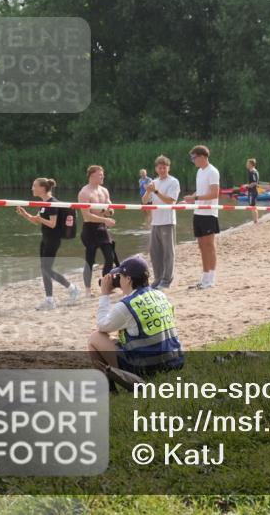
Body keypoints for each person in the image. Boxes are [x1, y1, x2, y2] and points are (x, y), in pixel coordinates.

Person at [87, 256, 184, 380]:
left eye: (120, 276)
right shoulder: (160, 295)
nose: (118, 280)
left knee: (95, 338)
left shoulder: (127, 305)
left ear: (128, 279)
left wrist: (105, 294)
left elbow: (102, 325)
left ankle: (109, 389)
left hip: (148, 367)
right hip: (175, 361)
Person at [16, 177, 80, 309]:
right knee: (44, 269)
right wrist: (25, 215)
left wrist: (40, 219)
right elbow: (36, 221)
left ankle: (71, 289)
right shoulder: (44, 203)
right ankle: (50, 299)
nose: (32, 188)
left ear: (43, 188)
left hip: (53, 240)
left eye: (34, 186)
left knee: (47, 269)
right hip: (45, 239)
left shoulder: (52, 203)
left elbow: (52, 224)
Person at [78, 165, 120, 298]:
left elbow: (110, 206)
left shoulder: (104, 190)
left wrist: (110, 212)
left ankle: (104, 285)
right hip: (90, 229)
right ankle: (87, 290)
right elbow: (86, 215)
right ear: (92, 175)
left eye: (103, 174)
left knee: (110, 257)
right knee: (90, 260)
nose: (103, 177)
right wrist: (105, 219)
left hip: (102, 228)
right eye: (100, 175)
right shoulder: (84, 192)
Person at [184, 145, 220, 290]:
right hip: (198, 212)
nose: (193, 161)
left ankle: (211, 279)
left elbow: (214, 193)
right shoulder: (200, 172)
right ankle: (204, 277)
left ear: (202, 157)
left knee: (209, 246)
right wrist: (190, 198)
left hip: (209, 213)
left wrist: (196, 198)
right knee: (201, 246)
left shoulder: (213, 171)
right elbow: (199, 191)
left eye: (194, 157)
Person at [142, 156, 180, 289]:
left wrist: (156, 191)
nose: (162, 170)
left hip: (167, 221)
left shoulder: (173, 182)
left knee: (168, 252)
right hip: (155, 222)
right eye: (160, 167)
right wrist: (148, 191)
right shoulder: (154, 182)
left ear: (168, 168)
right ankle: (158, 278)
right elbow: (145, 201)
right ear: (156, 168)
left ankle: (167, 279)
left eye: (164, 167)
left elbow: (170, 200)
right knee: (155, 252)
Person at [246, 158, 260, 224]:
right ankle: (255, 220)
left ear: (251, 164)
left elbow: (254, 183)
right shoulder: (252, 171)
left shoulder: (253, 172)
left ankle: (255, 221)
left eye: (247, 163)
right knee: (252, 206)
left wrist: (247, 186)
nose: (246, 164)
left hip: (253, 191)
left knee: (252, 206)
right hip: (252, 191)